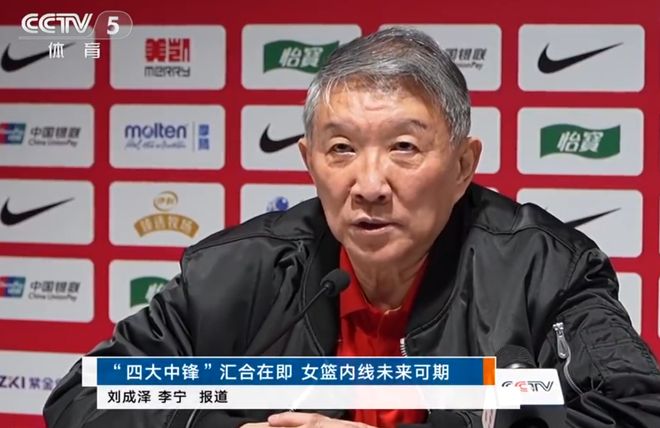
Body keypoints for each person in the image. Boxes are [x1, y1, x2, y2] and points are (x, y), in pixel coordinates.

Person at [44, 27, 660, 428]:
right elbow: (85, 398)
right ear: (309, 162)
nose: (368, 184)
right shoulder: (234, 273)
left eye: (403, 148)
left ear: (463, 166)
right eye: (340, 149)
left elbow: (638, 410)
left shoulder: (545, 270)